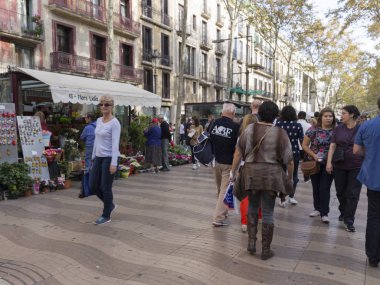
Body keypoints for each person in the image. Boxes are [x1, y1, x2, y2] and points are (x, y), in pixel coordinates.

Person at [232, 101, 293, 260]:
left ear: (260, 113)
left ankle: (252, 242)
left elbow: (238, 153)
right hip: (272, 176)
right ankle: (266, 249)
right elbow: (289, 160)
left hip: (251, 173)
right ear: (275, 116)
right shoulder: (281, 133)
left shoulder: (248, 129)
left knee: (252, 205)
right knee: (267, 211)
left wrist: (233, 171)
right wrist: (290, 178)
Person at [326, 105, 363, 232]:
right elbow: (332, 146)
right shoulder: (338, 129)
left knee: (353, 194)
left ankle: (349, 220)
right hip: (339, 165)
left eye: (344, 113)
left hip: (356, 166)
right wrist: (329, 162)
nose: (341, 116)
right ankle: (343, 211)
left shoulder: (361, 129)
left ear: (352, 115)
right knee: (340, 192)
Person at [353, 95, 380, 267]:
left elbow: (356, 150)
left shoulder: (367, 125)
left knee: (374, 217)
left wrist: (370, 153)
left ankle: (373, 256)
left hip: (374, 178)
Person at [90, 95, 121, 225]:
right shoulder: (98, 120)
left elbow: (115, 144)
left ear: (112, 106)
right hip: (98, 157)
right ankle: (110, 205)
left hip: (109, 158)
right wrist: (93, 157)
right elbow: (96, 140)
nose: (103, 107)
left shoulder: (115, 123)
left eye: (106, 104)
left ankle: (106, 215)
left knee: (105, 187)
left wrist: (114, 163)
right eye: (101, 104)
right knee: (93, 185)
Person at [302, 107, 336, 224]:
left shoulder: (336, 131)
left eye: (330, 116)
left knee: (325, 187)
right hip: (314, 163)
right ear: (321, 117)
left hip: (329, 163)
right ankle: (316, 208)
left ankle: (324, 213)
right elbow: (305, 145)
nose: (328, 118)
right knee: (316, 187)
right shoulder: (313, 130)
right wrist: (314, 155)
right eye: (326, 116)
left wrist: (330, 161)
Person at [209, 103, 240, 227]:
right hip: (228, 163)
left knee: (220, 190)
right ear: (233, 113)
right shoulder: (235, 127)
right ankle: (219, 217)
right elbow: (238, 148)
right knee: (225, 191)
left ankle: (223, 212)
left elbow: (209, 138)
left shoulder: (214, 123)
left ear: (222, 112)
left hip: (216, 161)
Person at [230, 114, 259, 233]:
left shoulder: (242, 136)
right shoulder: (262, 135)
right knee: (258, 194)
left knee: (245, 196)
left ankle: (245, 222)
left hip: (245, 167)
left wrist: (233, 171)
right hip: (260, 168)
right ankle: (259, 217)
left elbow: (237, 155)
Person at [276, 106, 304, 206]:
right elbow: (302, 141)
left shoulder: (278, 124)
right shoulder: (298, 125)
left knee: (282, 175)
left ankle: (282, 198)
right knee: (294, 176)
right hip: (294, 152)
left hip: (280, 152)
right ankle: (291, 196)